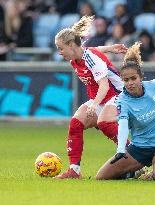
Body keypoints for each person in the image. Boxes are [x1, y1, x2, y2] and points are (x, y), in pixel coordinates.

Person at [96, 42, 155, 180]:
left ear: (141, 77)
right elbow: (123, 125)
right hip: (139, 148)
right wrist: (120, 150)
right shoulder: (122, 100)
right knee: (102, 177)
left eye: (133, 78)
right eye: (126, 80)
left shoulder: (154, 86)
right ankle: (134, 173)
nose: (130, 83)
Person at [54, 15, 130, 179]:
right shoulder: (76, 57)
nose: (59, 52)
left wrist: (93, 106)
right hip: (103, 98)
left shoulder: (91, 58)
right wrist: (110, 48)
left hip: (118, 94)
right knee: (75, 124)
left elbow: (104, 85)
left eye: (61, 48)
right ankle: (74, 171)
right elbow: (93, 49)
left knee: (104, 122)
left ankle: (135, 162)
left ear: (71, 45)